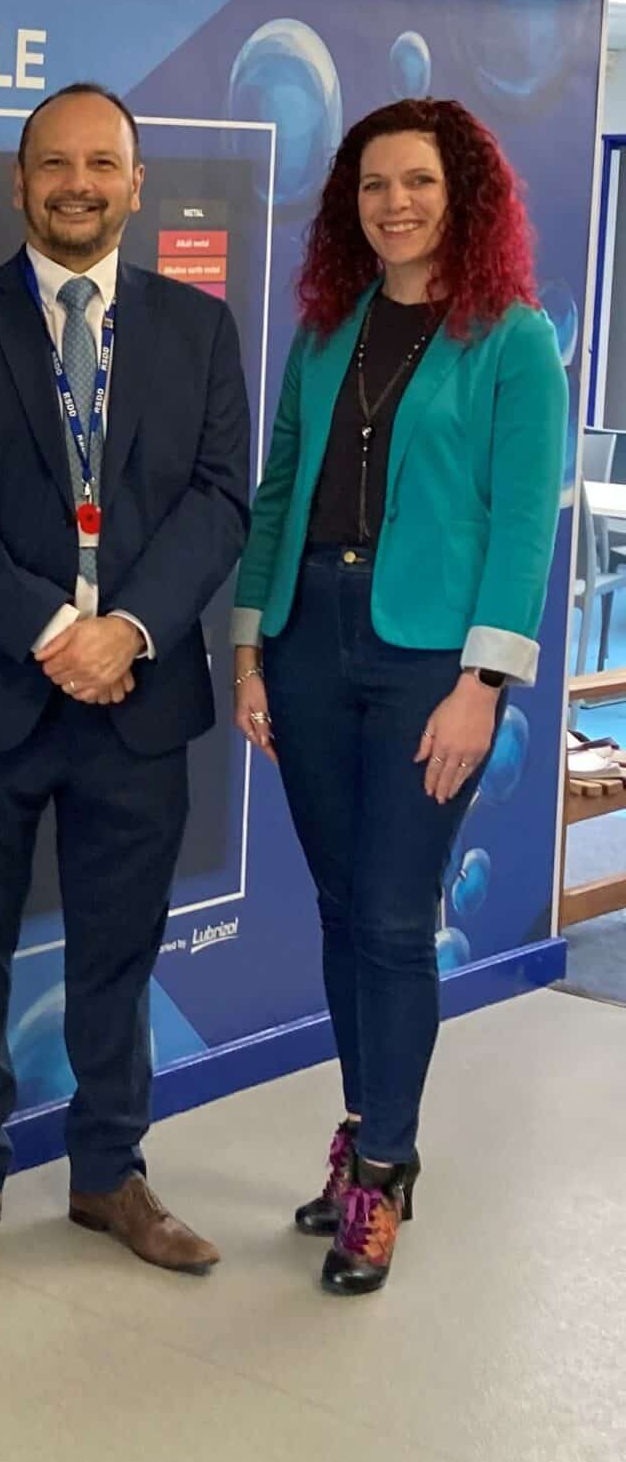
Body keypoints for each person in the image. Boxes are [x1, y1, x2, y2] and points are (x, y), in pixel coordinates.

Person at [0, 82, 251, 1279]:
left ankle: (108, 1174)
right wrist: (56, 628)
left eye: (102, 163)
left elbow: (218, 503)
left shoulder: (198, 332)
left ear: (136, 183)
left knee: (117, 949)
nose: (78, 184)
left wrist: (131, 628)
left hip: (138, 697)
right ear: (19, 182)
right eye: (55, 164)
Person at [230, 99, 563, 1296]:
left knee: (390, 914)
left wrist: (483, 684)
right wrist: (249, 646)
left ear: (459, 193)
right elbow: (277, 492)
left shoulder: (512, 339)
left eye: (416, 182)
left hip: (431, 665)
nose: (394, 204)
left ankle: (384, 1167)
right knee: (335, 908)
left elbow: (524, 526)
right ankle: (363, 1121)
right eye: (372, 186)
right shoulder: (328, 330)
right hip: (310, 639)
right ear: (349, 205)